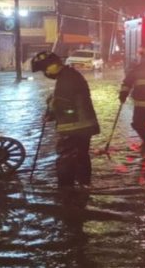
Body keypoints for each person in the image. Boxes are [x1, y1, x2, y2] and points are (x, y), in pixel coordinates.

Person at [31, 51, 100, 188]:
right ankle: (84, 185)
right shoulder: (69, 75)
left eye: (44, 69)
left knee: (65, 159)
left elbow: (64, 104)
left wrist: (52, 110)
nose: (45, 73)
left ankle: (65, 190)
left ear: (53, 65)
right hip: (84, 125)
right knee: (81, 156)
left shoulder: (66, 79)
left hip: (73, 126)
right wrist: (52, 111)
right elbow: (66, 102)